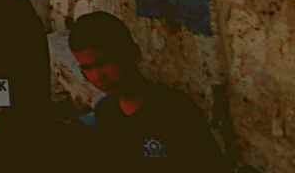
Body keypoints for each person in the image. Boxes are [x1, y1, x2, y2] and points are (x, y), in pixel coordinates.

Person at [68, 11, 223, 168]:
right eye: (87, 68)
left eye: (103, 63)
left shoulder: (174, 111)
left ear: (131, 53)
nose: (98, 77)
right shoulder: (106, 113)